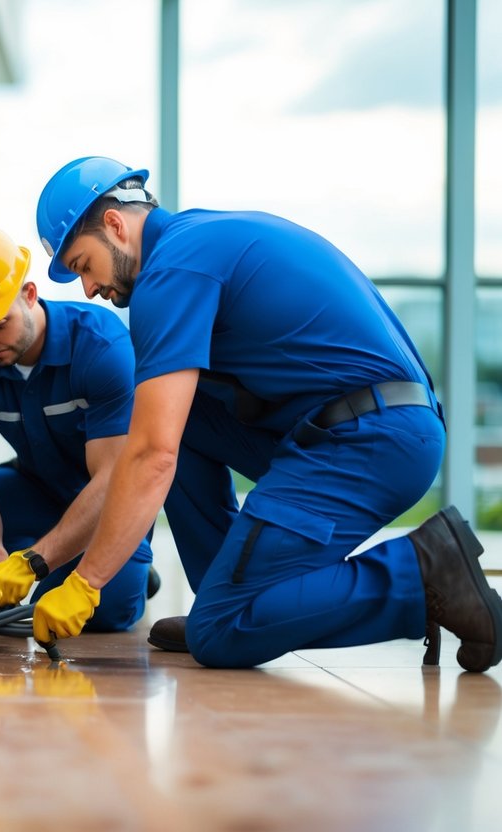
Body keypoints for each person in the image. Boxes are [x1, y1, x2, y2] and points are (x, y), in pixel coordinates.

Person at [29, 155, 502, 672]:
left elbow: (150, 454)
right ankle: (224, 597)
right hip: (364, 425)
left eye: (82, 266)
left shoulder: (170, 272)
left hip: (371, 439)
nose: (89, 290)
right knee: (174, 418)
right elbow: (164, 433)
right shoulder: (197, 242)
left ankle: (423, 573)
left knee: (219, 632)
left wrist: (87, 581)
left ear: (116, 226)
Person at [0, 223, 154, 631]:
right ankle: (54, 557)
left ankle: (132, 571)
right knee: (0, 499)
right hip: (36, 490)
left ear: (29, 294)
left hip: (111, 498)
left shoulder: (101, 349)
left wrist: (34, 562)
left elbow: (112, 479)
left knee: (105, 611)